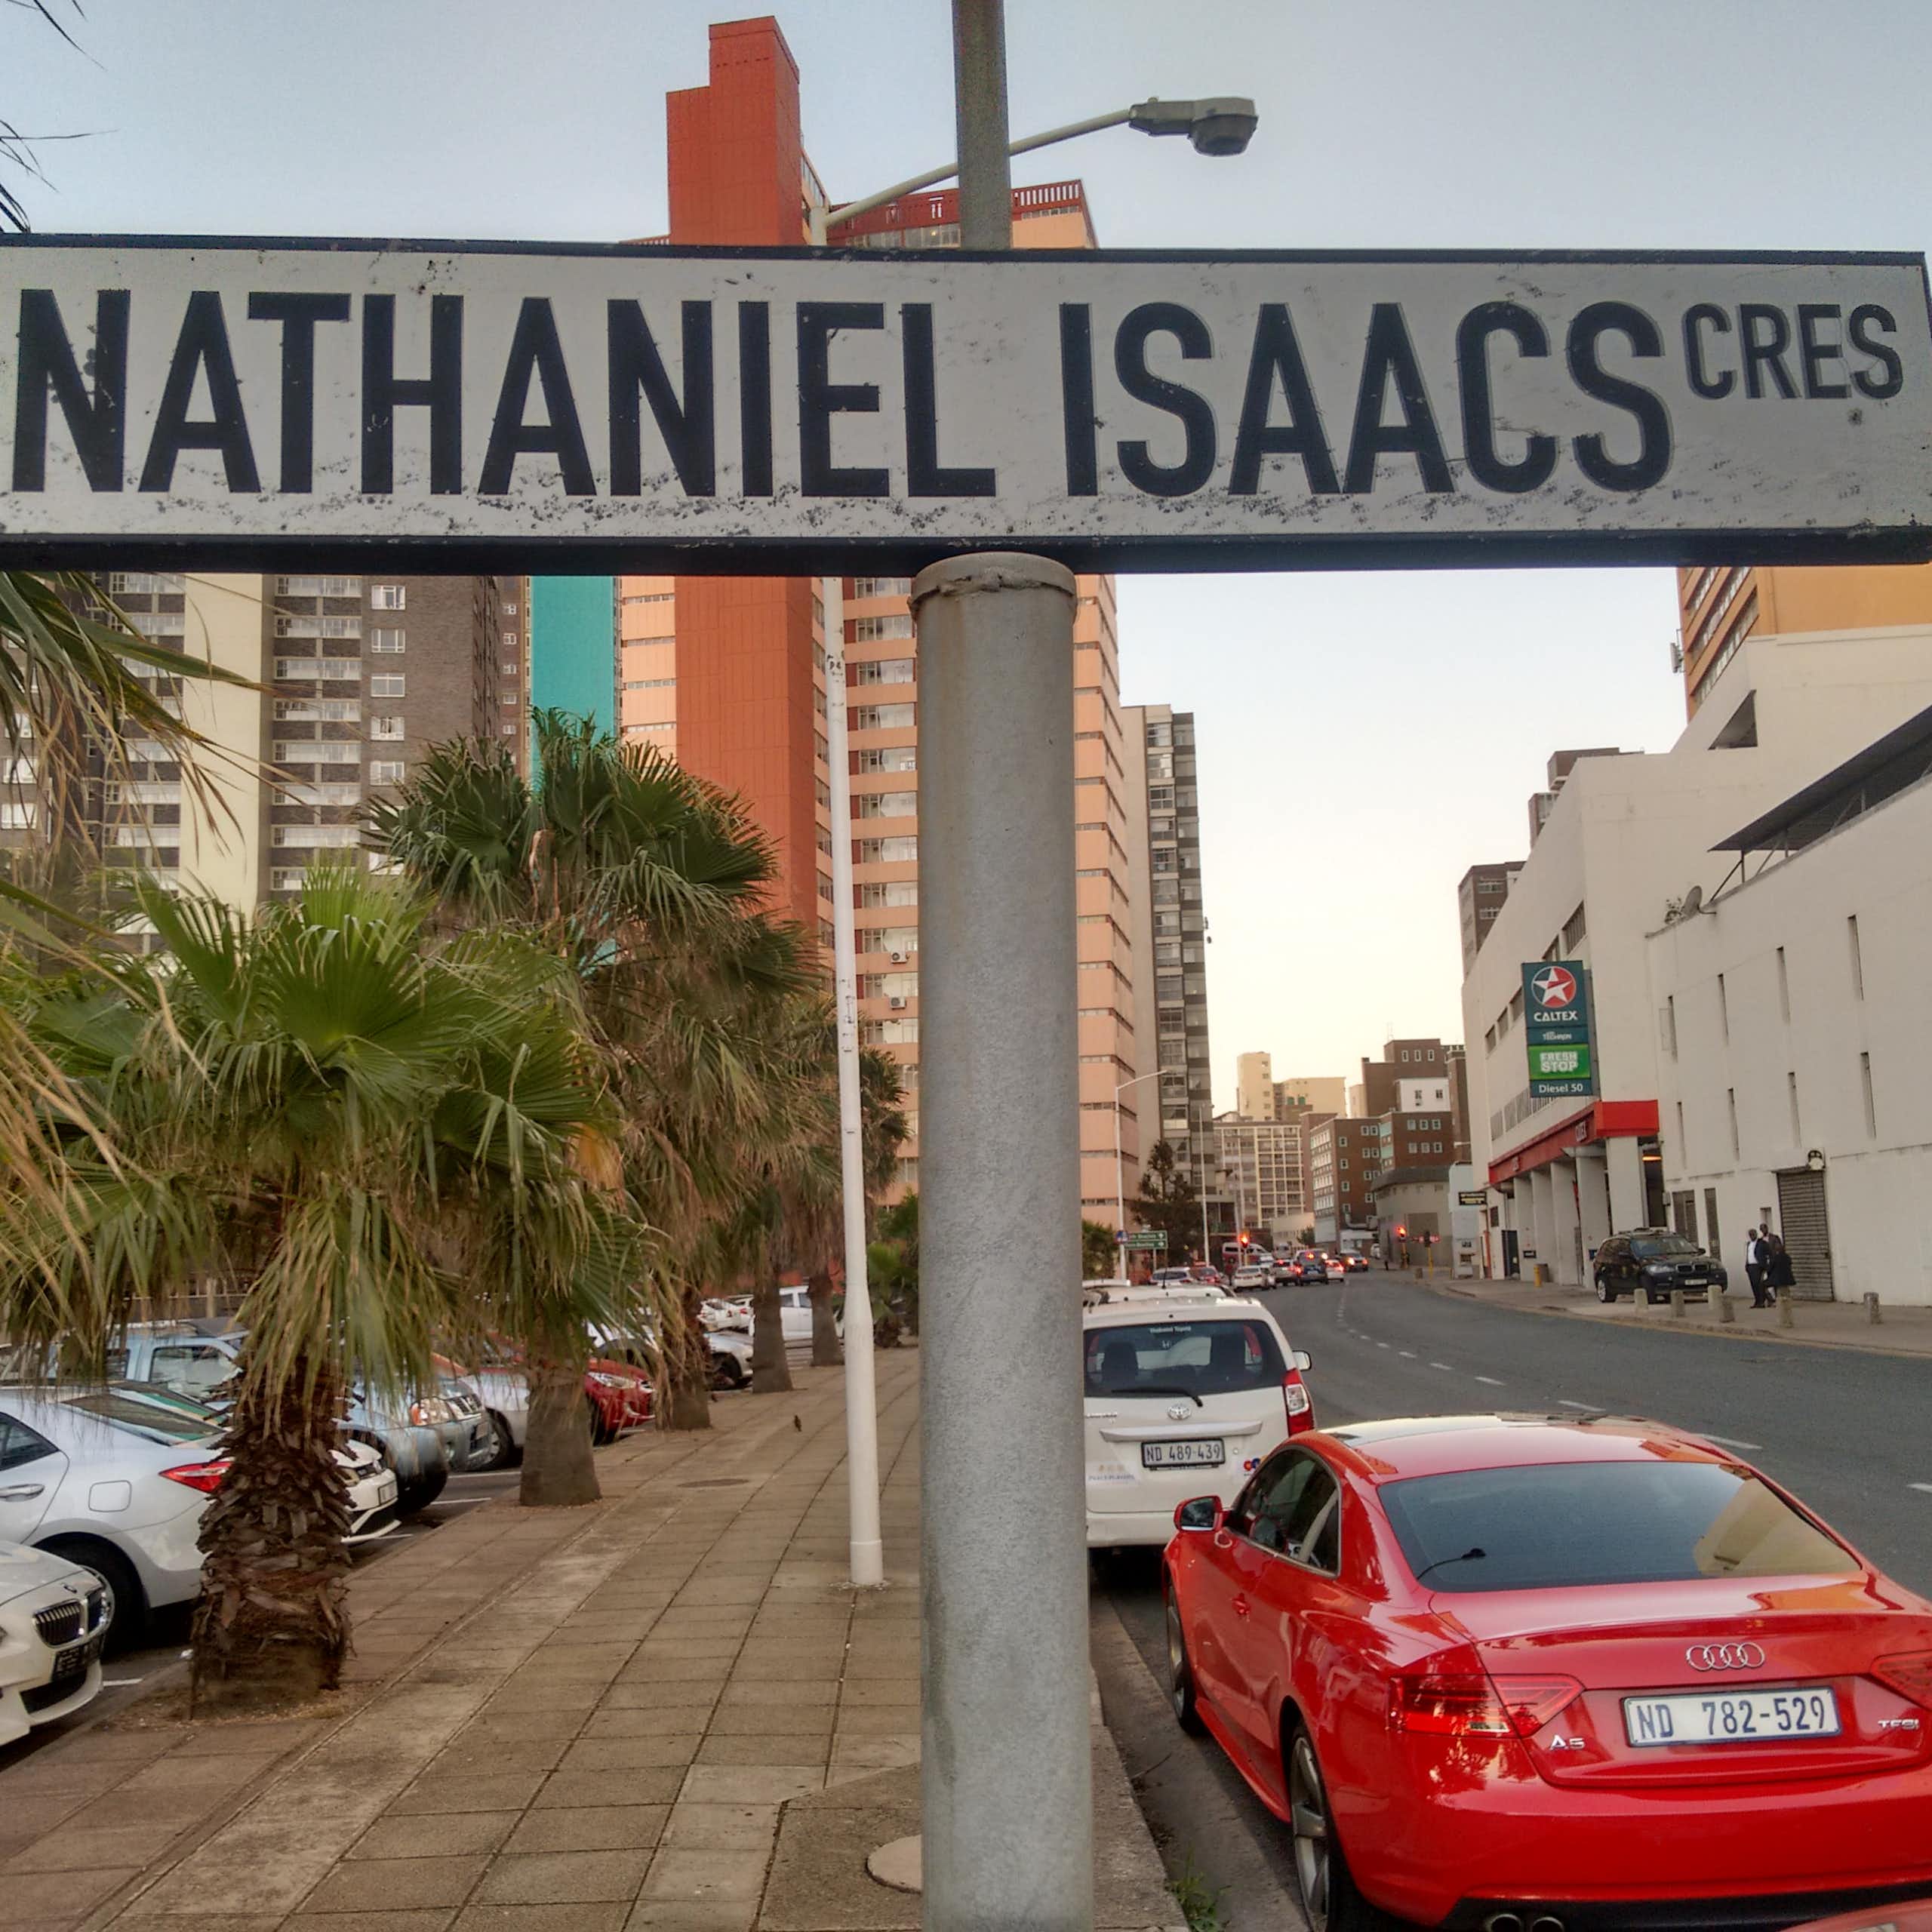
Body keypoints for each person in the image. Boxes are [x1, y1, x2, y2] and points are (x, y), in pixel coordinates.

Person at [1765, 1232, 1797, 1301]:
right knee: (1786, 1291)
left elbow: (1770, 1267)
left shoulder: (1775, 1258)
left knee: (1780, 1292)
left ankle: (1781, 1302)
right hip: (1786, 1278)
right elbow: (1790, 1263)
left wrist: (1767, 1269)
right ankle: (1787, 1301)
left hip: (1779, 1279)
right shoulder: (1787, 1256)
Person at [1746, 1225, 1770, 1307]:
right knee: (1753, 1285)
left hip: (1758, 1266)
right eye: (1750, 1235)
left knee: (1759, 1284)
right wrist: (1747, 1265)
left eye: (1753, 1234)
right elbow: (1748, 1255)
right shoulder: (1749, 1244)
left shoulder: (1761, 1243)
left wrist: (1765, 1265)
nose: (1752, 1236)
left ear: (1756, 1234)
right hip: (1750, 1266)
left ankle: (1762, 1302)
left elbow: (1768, 1253)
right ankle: (1757, 1301)